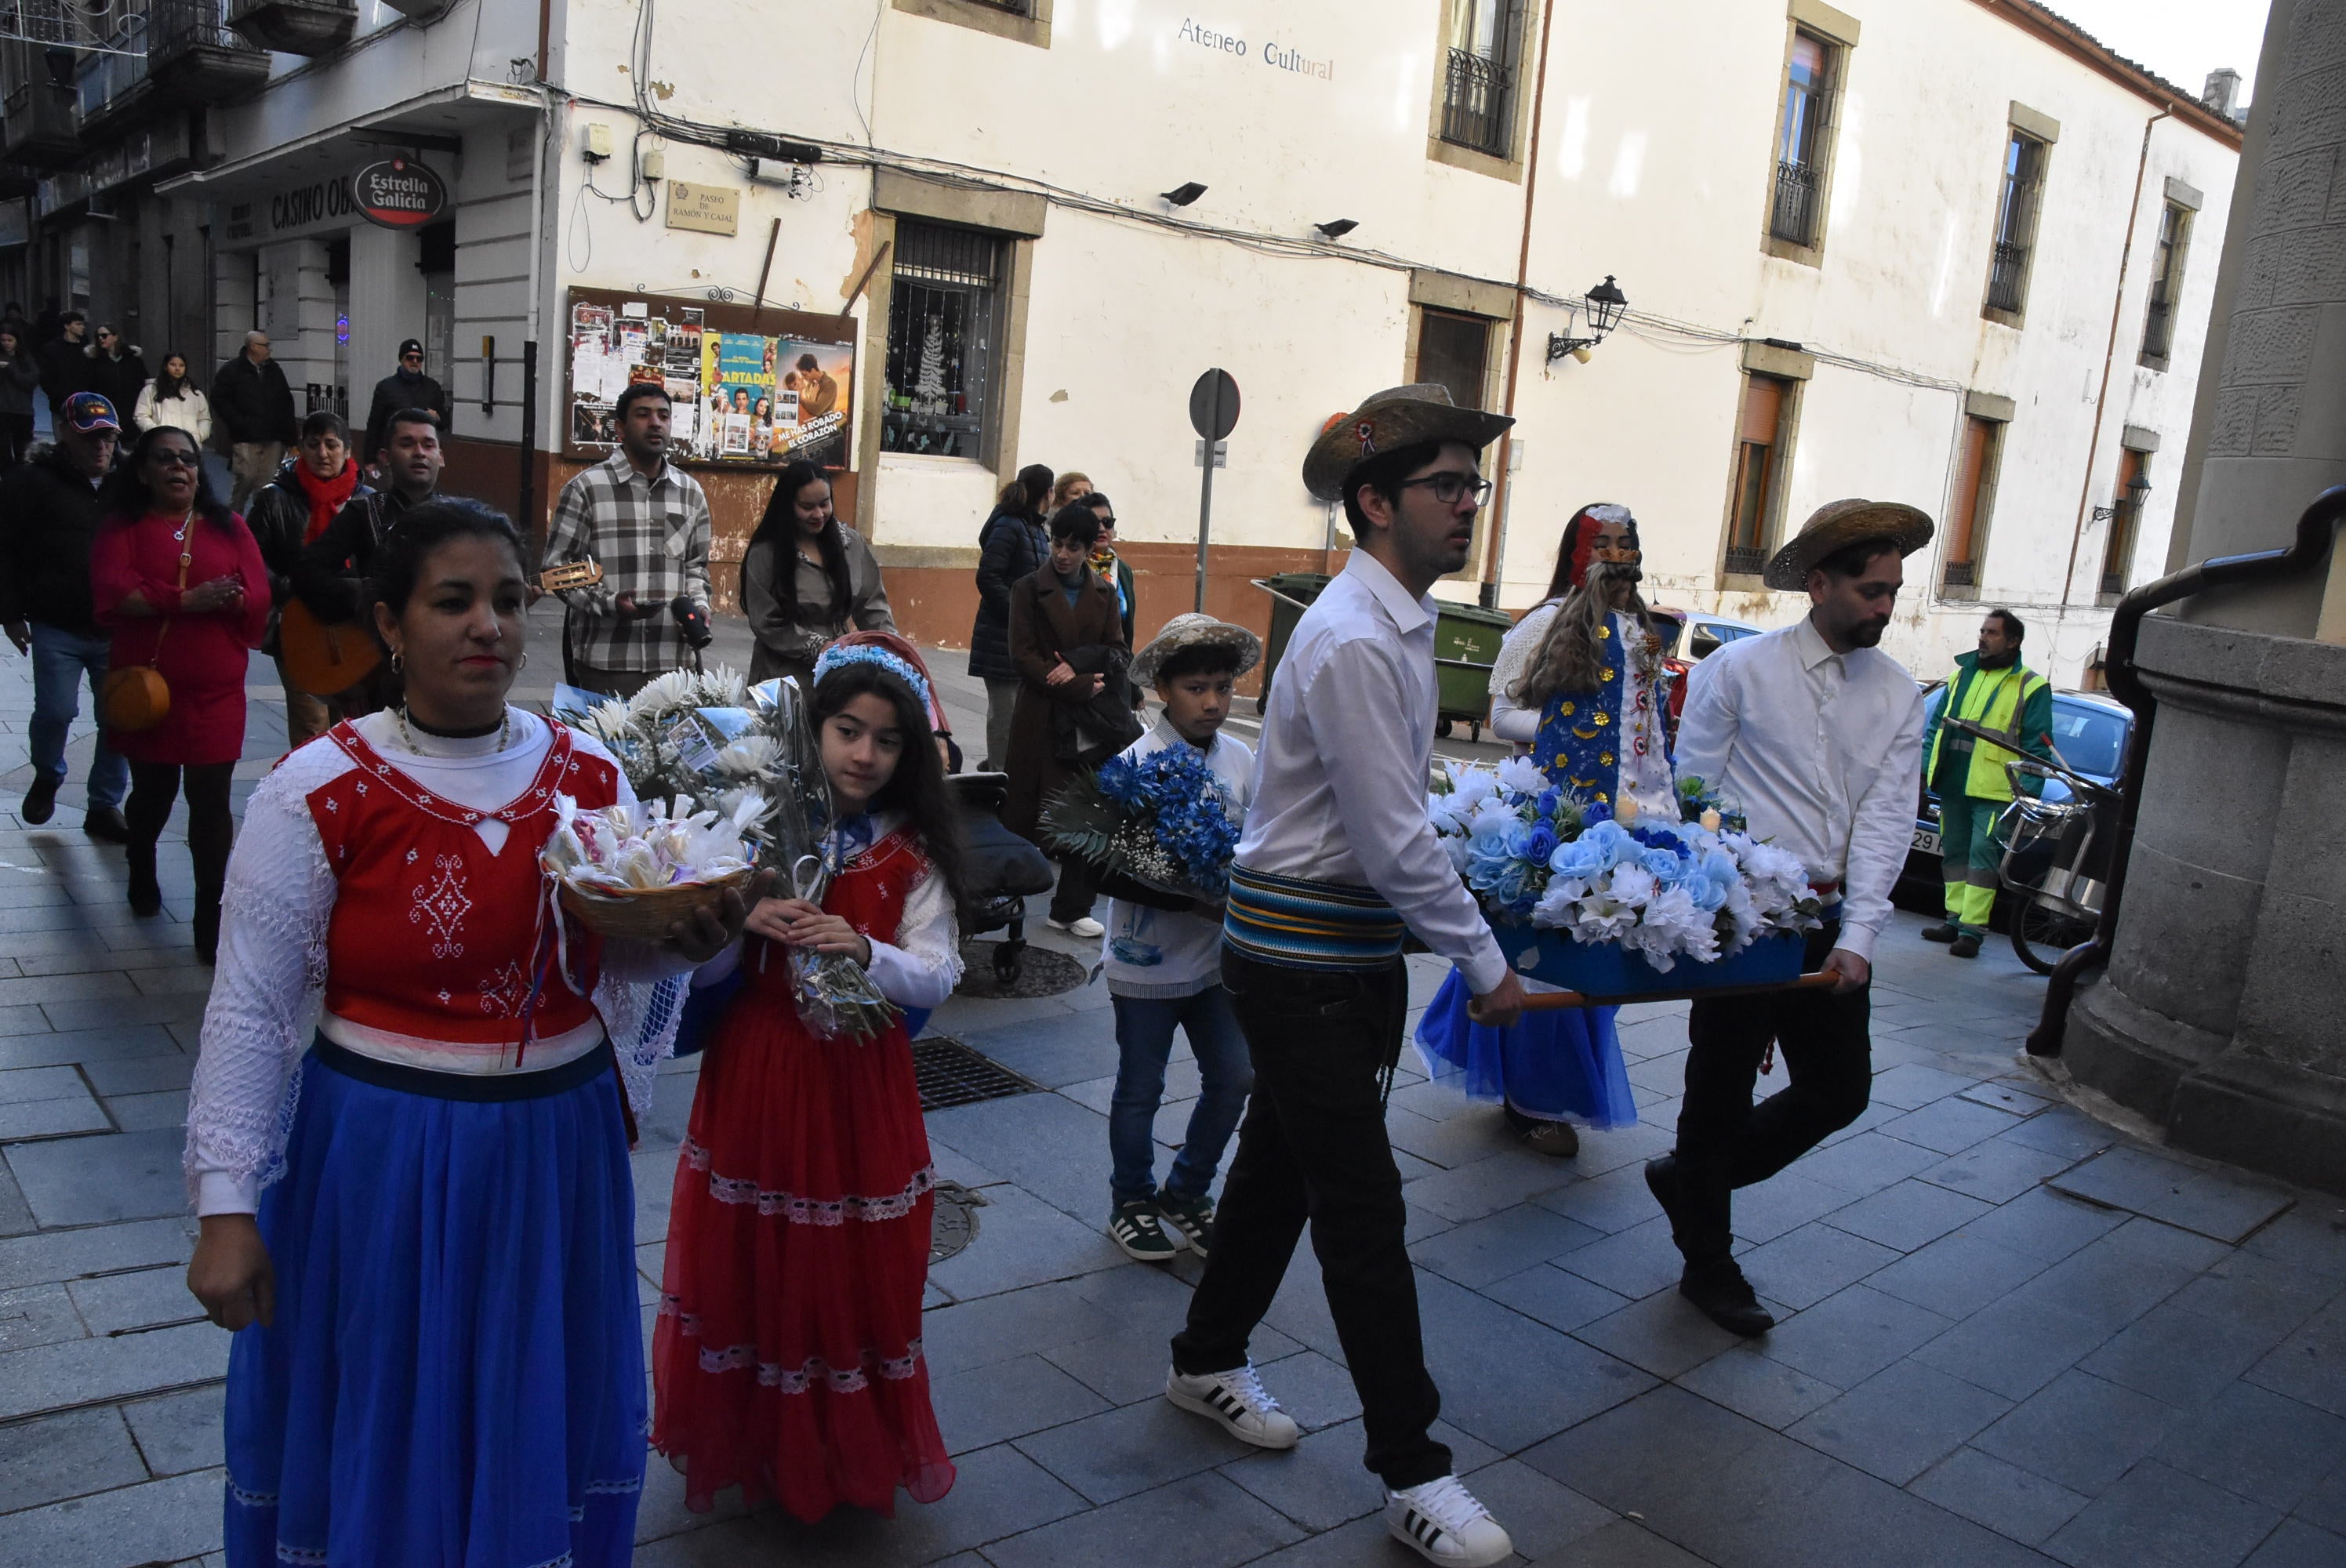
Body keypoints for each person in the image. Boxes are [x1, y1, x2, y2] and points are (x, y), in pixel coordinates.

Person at [180, 498, 750, 1568]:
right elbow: (253, 1010)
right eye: (454, 602)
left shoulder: (591, 778)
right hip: (378, 1159)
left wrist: (690, 939)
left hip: (551, 1155)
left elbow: (616, 957)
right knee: (389, 1395)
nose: (488, 624)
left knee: (527, 1391)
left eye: (506, 600)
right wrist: (226, 1208)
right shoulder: (316, 791)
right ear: (390, 624)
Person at [1171, 386, 1527, 1568]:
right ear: (1376, 502)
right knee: (1362, 1207)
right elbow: (1390, 840)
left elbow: (1388, 824)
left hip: (1333, 954)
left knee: (1283, 1167)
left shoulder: (1395, 621)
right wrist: (1485, 965)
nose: (1468, 505)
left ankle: (1207, 1355)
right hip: (1305, 959)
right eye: (1447, 486)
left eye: (1474, 486)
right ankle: (1415, 1471)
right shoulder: (1360, 635)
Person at [654, 642, 966, 1522]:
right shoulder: (750, 831)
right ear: (809, 731)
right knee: (752, 1259)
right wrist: (731, 919)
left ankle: (842, 1444)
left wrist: (865, 948)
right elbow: (704, 981)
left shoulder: (912, 852)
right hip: (757, 1069)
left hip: (858, 1083)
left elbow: (938, 973)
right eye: (846, 730)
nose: (864, 754)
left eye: (889, 740)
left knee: (850, 1267)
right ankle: (757, 1443)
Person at [1648, 499, 1932, 1338]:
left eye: (1893, 591)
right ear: (1818, 584)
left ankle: (1691, 1180)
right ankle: (1709, 1260)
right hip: (1743, 918)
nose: (1884, 606)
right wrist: (1715, 905)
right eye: (1870, 589)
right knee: (1717, 1091)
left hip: (1829, 916)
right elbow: (1691, 798)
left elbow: (1886, 819)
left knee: (1840, 1090)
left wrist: (1859, 936)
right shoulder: (1738, 671)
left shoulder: (1899, 694)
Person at [1418, 504, 1659, 1157]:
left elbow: (1644, 728)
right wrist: (1576, 733)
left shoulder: (1637, 630)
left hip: (1623, 821)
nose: (1614, 557)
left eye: (1624, 545)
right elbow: (1503, 714)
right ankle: (1531, 1099)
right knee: (1552, 962)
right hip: (1553, 815)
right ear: (1576, 555)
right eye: (1600, 544)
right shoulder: (1545, 624)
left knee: (1595, 958)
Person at [1090, 615, 1259, 1263]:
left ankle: (1187, 1191)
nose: (1213, 702)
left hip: (1217, 963)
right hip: (1148, 962)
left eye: (1223, 687)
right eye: (1196, 687)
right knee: (1141, 1087)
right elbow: (1108, 869)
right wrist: (1193, 894)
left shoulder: (1242, 759)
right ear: (1162, 687)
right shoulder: (1135, 766)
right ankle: (1130, 1200)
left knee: (1236, 1077)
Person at [88, 426, 272, 960]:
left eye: (188, 460)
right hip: (151, 695)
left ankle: (209, 915)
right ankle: (141, 860)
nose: (179, 468)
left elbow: (257, 590)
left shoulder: (228, 525)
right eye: (165, 459)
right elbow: (115, 590)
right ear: (143, 470)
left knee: (211, 802)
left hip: (215, 695)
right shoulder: (122, 526)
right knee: (152, 795)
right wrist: (187, 600)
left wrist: (235, 600)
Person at [0, 392, 132, 840]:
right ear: (64, 434)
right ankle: (48, 774)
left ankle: (104, 804)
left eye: (109, 439)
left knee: (119, 717)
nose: (101, 448)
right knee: (56, 711)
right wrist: (10, 613)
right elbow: (6, 548)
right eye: (90, 438)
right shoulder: (32, 483)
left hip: (117, 626)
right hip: (56, 623)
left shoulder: (129, 486)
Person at [1004, 503, 1136, 940]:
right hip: (1042, 717)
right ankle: (1005, 900)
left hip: (1091, 722)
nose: (1062, 554)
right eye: (1056, 544)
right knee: (1030, 813)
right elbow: (1021, 655)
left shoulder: (1102, 591)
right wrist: (1076, 684)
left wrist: (1077, 664)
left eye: (1072, 547)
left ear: (1085, 549)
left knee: (1089, 811)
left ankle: (1071, 906)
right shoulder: (1028, 588)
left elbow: (1118, 650)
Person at [543, 381, 712, 698]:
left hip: (674, 664)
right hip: (607, 663)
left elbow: (695, 568)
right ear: (620, 427)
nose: (655, 423)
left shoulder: (690, 493)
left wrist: (699, 606)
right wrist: (609, 604)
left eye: (663, 415)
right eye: (643, 415)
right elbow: (557, 571)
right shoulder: (586, 489)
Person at [1919, 608, 2054, 958]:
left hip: (1995, 788)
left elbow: (2038, 748)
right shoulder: (1961, 676)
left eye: (1992, 632)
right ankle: (1953, 919)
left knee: (1982, 856)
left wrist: (2028, 795)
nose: (1983, 637)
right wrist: (1924, 769)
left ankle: (1972, 931)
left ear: (2013, 642)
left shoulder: (2031, 686)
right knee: (1955, 852)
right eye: (1982, 630)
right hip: (1953, 780)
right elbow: (1937, 727)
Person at [293, 408, 445, 717]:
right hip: (375, 673)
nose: (419, 453)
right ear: (386, 456)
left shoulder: (460, 520)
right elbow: (306, 571)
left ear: (441, 456)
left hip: (438, 666)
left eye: (428, 445)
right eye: (408, 444)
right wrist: (361, 595)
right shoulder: (364, 513)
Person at [247, 411, 371, 746]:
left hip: (354, 627)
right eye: (313, 445)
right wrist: (293, 589)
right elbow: (251, 562)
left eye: (332, 445)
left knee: (355, 728)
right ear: (301, 449)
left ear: (347, 451)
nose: (323, 453)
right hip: (297, 626)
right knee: (311, 729)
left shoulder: (368, 501)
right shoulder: (274, 499)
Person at [740, 458, 895, 688]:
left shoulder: (850, 543)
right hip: (783, 674)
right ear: (788, 505)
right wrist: (818, 646)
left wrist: (891, 647)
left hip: (838, 670)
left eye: (825, 503)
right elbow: (766, 622)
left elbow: (873, 605)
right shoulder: (766, 552)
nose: (819, 514)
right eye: (807, 507)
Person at [968, 463, 1054, 769]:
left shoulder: (1034, 527)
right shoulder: (1010, 524)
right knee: (1005, 718)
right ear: (1049, 492)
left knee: (1020, 718)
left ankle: (1003, 775)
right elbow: (988, 577)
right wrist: (1021, 613)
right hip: (1000, 638)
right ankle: (999, 783)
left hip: (1023, 640)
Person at [212, 332, 298, 513]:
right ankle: (234, 516)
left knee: (266, 484)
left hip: (272, 436)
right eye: (266, 345)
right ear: (253, 346)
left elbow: (286, 403)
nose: (269, 349)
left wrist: (291, 439)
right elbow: (219, 399)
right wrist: (237, 421)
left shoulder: (274, 371)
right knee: (246, 477)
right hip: (246, 435)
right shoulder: (232, 370)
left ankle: (261, 522)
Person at [360, 338, 449, 471]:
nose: (414, 362)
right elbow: (374, 425)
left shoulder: (432, 387)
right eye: (410, 358)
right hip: (396, 456)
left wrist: (437, 417)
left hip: (423, 457)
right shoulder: (385, 387)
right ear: (401, 359)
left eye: (419, 359)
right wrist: (370, 460)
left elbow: (445, 422)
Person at [1084, 491, 1138, 655]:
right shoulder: (1072, 567)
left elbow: (1127, 625)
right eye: (1093, 523)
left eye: (1107, 522)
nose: (1101, 529)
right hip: (1080, 665)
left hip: (1117, 664)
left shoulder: (1122, 569)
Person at [133, 353, 213, 448]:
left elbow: (204, 419)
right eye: (173, 365)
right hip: (161, 445)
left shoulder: (195, 394)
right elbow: (141, 415)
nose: (177, 369)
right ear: (165, 367)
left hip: (189, 446)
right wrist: (157, 433)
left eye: (181, 365)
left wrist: (198, 436)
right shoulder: (150, 391)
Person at [81, 325, 149, 434]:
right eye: (97, 336)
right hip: (104, 411)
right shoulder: (95, 363)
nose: (100, 339)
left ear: (115, 337)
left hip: (131, 410)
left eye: (104, 335)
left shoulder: (133, 360)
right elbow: (89, 387)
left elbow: (143, 384)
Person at [35, 311, 89, 423]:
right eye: (78, 324)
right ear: (67, 326)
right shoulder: (51, 349)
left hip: (84, 405)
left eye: (82, 324)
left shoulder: (86, 349)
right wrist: (58, 396)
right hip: (60, 405)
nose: (82, 327)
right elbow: (46, 378)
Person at [0, 323, 40, 470]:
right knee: (3, 452)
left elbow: (30, 382)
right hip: (3, 410)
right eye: (3, 340)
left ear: (17, 340)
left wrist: (10, 369)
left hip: (22, 411)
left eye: (9, 340)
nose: (6, 344)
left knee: (23, 452)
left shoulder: (26, 359)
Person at [794, 353, 840, 419]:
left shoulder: (829, 384)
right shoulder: (809, 386)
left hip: (826, 428)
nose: (803, 378)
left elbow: (817, 410)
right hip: (813, 427)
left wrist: (800, 398)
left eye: (804, 374)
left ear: (812, 370)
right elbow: (807, 410)